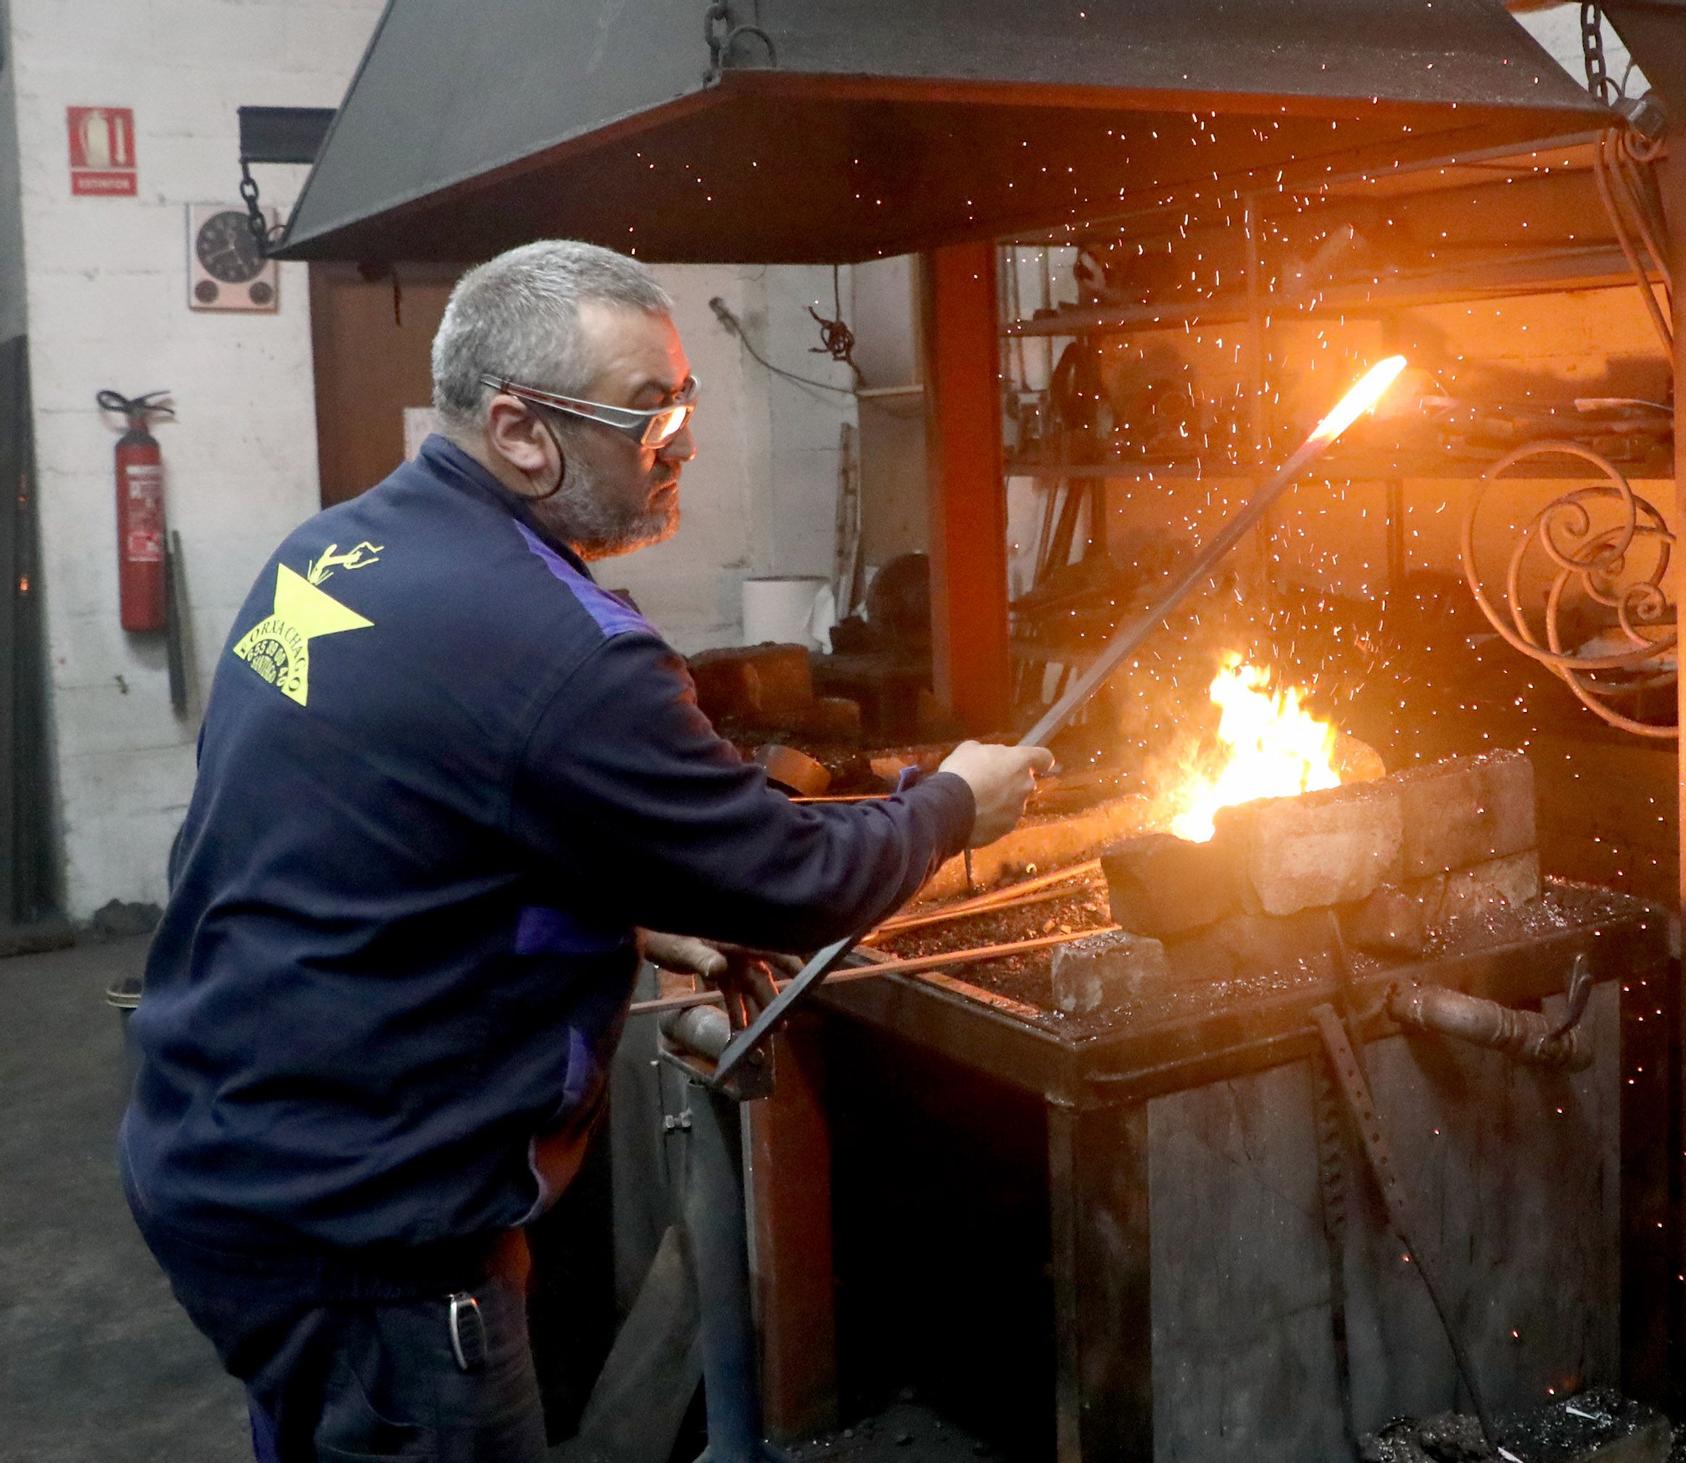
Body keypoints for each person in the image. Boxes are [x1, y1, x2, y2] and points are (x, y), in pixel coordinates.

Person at [119, 239, 1051, 1463]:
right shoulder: (569, 651)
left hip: (214, 1149)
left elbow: (380, 823)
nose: (681, 442)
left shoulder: (333, 551)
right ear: (519, 429)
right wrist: (951, 806)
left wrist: (610, 902)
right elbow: (797, 881)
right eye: (647, 410)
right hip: (369, 1232)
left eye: (684, 401)